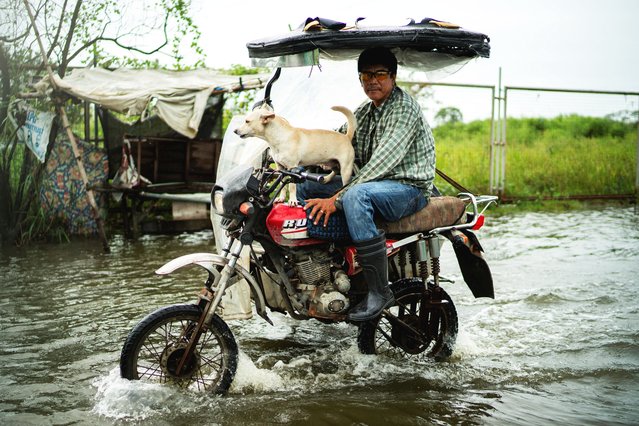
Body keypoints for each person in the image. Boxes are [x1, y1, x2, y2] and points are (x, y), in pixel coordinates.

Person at [298, 47, 436, 322]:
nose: (372, 80)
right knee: (306, 185)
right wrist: (299, 157)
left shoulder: (403, 109)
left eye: (380, 74)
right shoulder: (365, 111)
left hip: (407, 189)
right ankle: (329, 268)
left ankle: (379, 291)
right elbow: (336, 144)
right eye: (366, 75)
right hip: (377, 186)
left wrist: (335, 199)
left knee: (355, 196)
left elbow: (379, 167)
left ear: (393, 77)